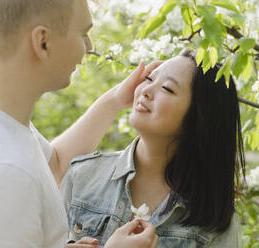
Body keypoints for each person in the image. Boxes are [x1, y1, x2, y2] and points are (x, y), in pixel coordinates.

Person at [0, 0, 161, 247]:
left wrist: (114, 100)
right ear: (43, 42)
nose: (89, 46)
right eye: (83, 33)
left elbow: (54, 165)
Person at [62, 49, 246, 247]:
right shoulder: (82, 175)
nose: (145, 90)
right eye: (149, 78)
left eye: (167, 88)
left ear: (199, 117)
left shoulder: (213, 219)